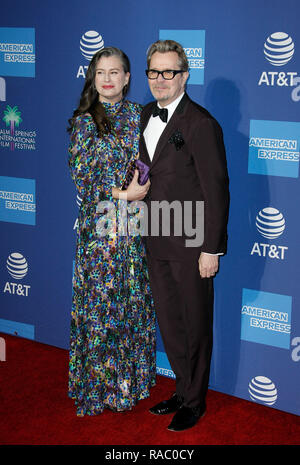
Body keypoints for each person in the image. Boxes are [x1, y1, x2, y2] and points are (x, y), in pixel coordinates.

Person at [139, 40, 229, 431]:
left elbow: (217, 190)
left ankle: (195, 401)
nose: (160, 80)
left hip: (193, 244)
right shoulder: (144, 114)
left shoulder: (202, 123)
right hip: (155, 235)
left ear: (185, 75)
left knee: (195, 324)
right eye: (154, 72)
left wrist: (212, 249)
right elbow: (145, 168)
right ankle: (181, 388)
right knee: (171, 322)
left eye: (169, 72)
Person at [67, 46, 156, 416]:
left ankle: (128, 384)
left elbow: (151, 162)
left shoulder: (140, 116)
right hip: (99, 230)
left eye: (115, 72)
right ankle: (98, 387)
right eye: (100, 72)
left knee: (130, 301)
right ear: (93, 77)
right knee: (101, 305)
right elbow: (83, 179)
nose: (107, 79)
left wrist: (141, 188)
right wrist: (124, 193)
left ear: (127, 77)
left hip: (132, 226)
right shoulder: (85, 121)